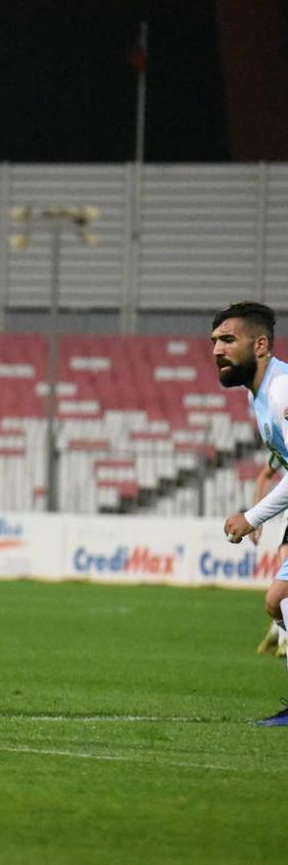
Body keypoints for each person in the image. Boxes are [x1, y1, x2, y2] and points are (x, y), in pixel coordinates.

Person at [214, 301, 288, 726]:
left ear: (260, 345)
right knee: (280, 600)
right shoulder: (258, 393)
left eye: (228, 340)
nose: (217, 350)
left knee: (281, 598)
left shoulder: (280, 392)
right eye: (214, 342)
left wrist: (253, 516)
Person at [251, 462, 288, 656]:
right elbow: (265, 475)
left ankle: (279, 632)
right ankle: (283, 637)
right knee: (281, 590)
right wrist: (256, 518)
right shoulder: (280, 441)